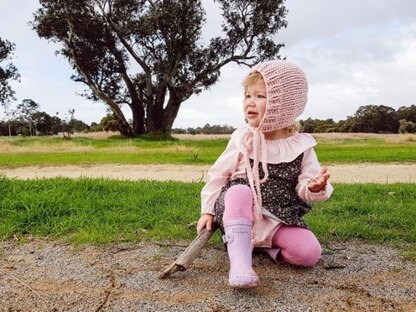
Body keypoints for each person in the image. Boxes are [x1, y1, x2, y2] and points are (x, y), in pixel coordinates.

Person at [196, 60, 333, 288]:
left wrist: (313, 187)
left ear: (285, 105)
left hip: (276, 217)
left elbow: (305, 184)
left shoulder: (302, 146)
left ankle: (263, 245)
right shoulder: (243, 139)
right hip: (238, 212)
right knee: (239, 190)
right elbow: (218, 176)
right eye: (247, 96)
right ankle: (240, 262)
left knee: (309, 254)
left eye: (261, 96)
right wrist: (208, 211)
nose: (250, 102)